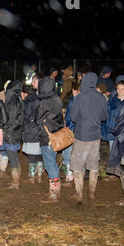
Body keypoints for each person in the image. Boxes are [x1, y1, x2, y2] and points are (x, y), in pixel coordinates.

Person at [69, 72, 108, 203]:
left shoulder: (80, 98)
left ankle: (79, 193)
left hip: (82, 136)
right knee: (93, 164)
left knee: (77, 164)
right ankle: (92, 192)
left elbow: (73, 118)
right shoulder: (101, 97)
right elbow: (104, 117)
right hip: (96, 136)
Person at [36, 77, 65, 203]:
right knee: (52, 161)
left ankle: (54, 194)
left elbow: (38, 119)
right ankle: (54, 189)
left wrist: (42, 120)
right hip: (57, 135)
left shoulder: (45, 102)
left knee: (50, 164)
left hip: (47, 137)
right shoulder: (57, 99)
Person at [1, 80, 24, 189]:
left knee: (12, 156)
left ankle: (15, 182)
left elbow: (11, 119)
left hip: (11, 133)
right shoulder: (17, 99)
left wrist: (5, 129)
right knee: (13, 156)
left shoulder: (13, 102)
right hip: (13, 132)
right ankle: (15, 180)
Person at [22, 73, 44, 184]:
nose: (32, 83)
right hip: (43, 130)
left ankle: (31, 176)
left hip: (32, 128)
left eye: (34, 81)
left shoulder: (31, 100)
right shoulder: (47, 97)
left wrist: (24, 126)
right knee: (41, 153)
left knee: (32, 155)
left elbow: (26, 115)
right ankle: (39, 175)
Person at [61, 81, 81, 186]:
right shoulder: (86, 101)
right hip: (82, 132)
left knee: (68, 153)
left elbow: (69, 117)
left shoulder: (73, 102)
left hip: (72, 130)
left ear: (74, 90)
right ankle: (79, 175)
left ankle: (69, 176)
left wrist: (67, 128)